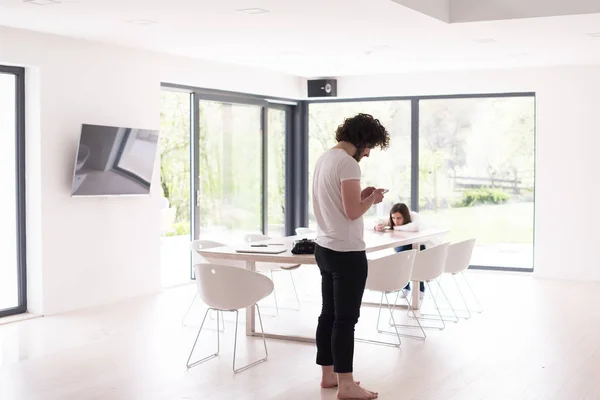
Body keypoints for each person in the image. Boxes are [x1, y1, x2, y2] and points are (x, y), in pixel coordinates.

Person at [312, 113, 390, 400]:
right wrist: (372, 199)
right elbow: (353, 212)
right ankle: (346, 386)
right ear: (362, 140)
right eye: (370, 146)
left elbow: (340, 203)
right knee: (346, 319)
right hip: (347, 251)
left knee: (328, 314)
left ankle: (328, 376)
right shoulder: (348, 163)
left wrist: (363, 196)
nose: (368, 153)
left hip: (325, 247)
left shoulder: (325, 159)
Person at [375, 203, 426, 297]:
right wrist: (377, 226)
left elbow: (416, 227)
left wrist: (395, 228)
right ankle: (407, 286)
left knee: (408, 252)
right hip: (404, 247)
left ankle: (415, 287)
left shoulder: (414, 216)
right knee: (402, 251)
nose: (395, 221)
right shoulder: (393, 220)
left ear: (405, 217)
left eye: (399, 218)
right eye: (393, 218)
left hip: (421, 246)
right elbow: (378, 220)